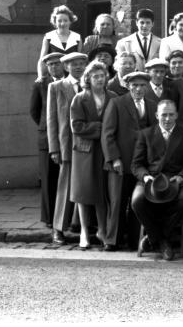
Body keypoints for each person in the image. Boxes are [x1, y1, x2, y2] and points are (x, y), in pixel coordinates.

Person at [131, 100, 183, 261]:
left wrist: (181, 177)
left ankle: (152, 238)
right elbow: (136, 164)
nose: (167, 119)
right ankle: (161, 240)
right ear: (156, 115)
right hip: (151, 180)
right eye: (163, 115)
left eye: (171, 115)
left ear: (177, 115)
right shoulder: (145, 134)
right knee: (137, 200)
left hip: (177, 180)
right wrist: (146, 177)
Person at [101, 72, 158, 251]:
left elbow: (155, 134)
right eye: (134, 85)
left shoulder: (152, 105)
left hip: (142, 164)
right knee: (118, 201)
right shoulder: (117, 103)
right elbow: (107, 133)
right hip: (121, 161)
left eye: (142, 85)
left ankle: (134, 240)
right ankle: (112, 240)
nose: (138, 89)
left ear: (147, 87)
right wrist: (114, 158)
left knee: (138, 201)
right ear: (127, 86)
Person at [70, 61, 117, 249]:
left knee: (102, 191)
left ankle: (102, 230)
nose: (99, 79)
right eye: (95, 76)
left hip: (105, 150)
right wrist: (101, 128)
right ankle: (83, 231)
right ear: (87, 78)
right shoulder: (80, 99)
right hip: (85, 151)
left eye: (102, 75)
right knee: (83, 192)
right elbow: (77, 126)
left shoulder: (112, 97)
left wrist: (106, 133)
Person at [47, 52, 88, 245]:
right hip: (66, 145)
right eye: (74, 64)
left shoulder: (90, 85)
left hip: (88, 146)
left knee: (86, 186)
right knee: (65, 187)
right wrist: (54, 148)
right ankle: (58, 229)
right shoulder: (56, 87)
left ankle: (83, 227)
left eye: (81, 64)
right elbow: (52, 120)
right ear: (66, 67)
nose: (78, 67)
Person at [29, 52, 65, 227]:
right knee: (48, 178)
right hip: (46, 139)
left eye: (57, 64)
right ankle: (50, 218)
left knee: (64, 178)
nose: (54, 67)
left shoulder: (69, 82)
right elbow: (34, 111)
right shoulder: (41, 84)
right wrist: (47, 128)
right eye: (50, 65)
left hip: (66, 137)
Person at [37, 5, 82, 79]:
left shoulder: (77, 37)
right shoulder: (48, 37)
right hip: (54, 76)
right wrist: (40, 76)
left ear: (70, 21)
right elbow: (42, 59)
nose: (62, 23)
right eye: (59, 21)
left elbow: (80, 60)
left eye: (65, 20)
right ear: (55, 22)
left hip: (72, 76)